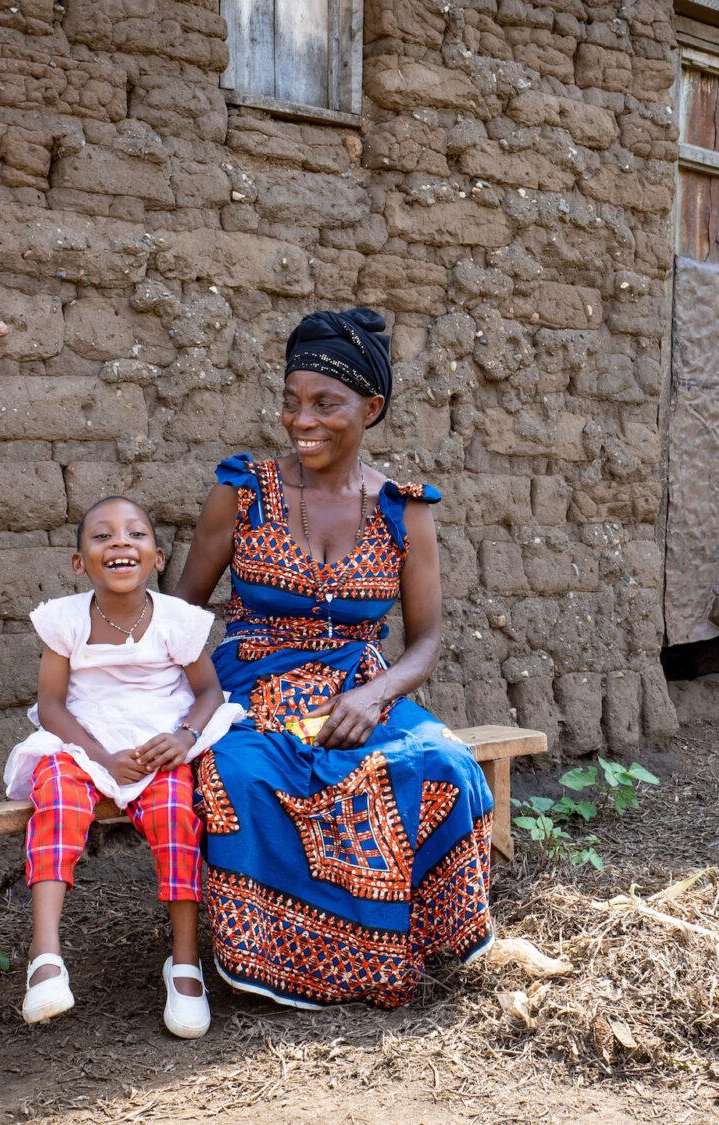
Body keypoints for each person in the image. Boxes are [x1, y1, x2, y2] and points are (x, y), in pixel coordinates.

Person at [175, 307, 495, 1009]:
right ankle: (285, 958)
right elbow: (181, 614)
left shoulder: (404, 510)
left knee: (443, 763)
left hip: (358, 690)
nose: (302, 420)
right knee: (238, 775)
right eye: (292, 402)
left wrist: (375, 697)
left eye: (326, 403)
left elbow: (426, 640)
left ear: (370, 408)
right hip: (250, 690)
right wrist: (191, 708)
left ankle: (406, 945)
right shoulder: (242, 492)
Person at [4, 496, 243, 1035]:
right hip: (84, 743)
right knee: (57, 803)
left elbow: (209, 692)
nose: (120, 542)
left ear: (157, 558)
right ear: (78, 562)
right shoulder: (66, 620)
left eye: (136, 534)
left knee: (178, 816)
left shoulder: (177, 621)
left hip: (156, 744)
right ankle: (45, 957)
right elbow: (51, 706)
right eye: (102, 535)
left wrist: (183, 737)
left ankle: (185, 963)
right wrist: (100, 756)